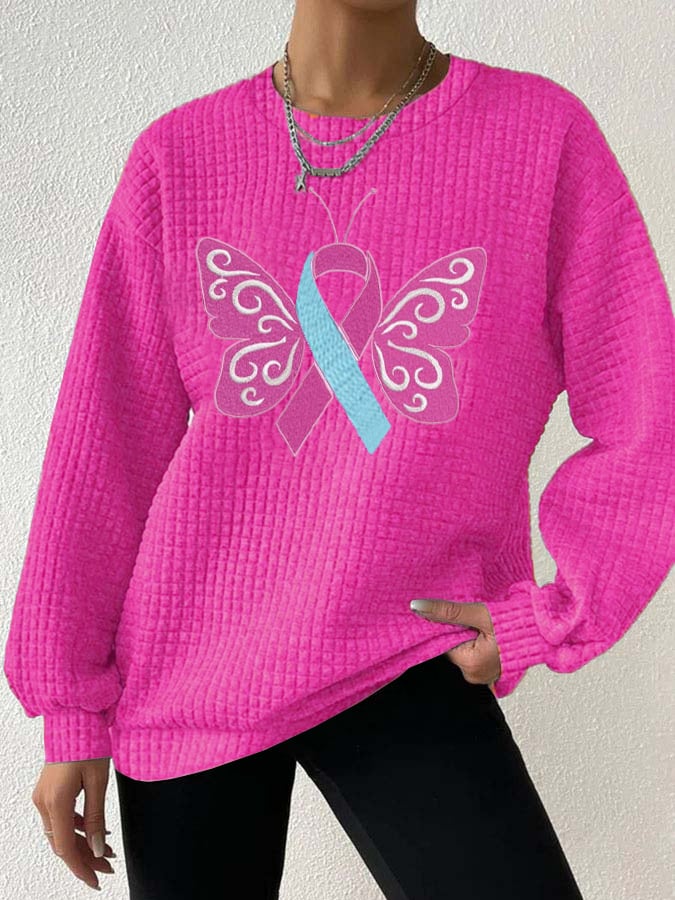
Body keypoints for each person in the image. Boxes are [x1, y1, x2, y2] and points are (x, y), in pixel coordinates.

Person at [4, 0, 674, 897]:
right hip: (192, 671)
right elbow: (103, 446)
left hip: (410, 647)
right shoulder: (180, 157)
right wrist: (70, 707)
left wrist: (552, 614)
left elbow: (647, 409)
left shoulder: (538, 139)